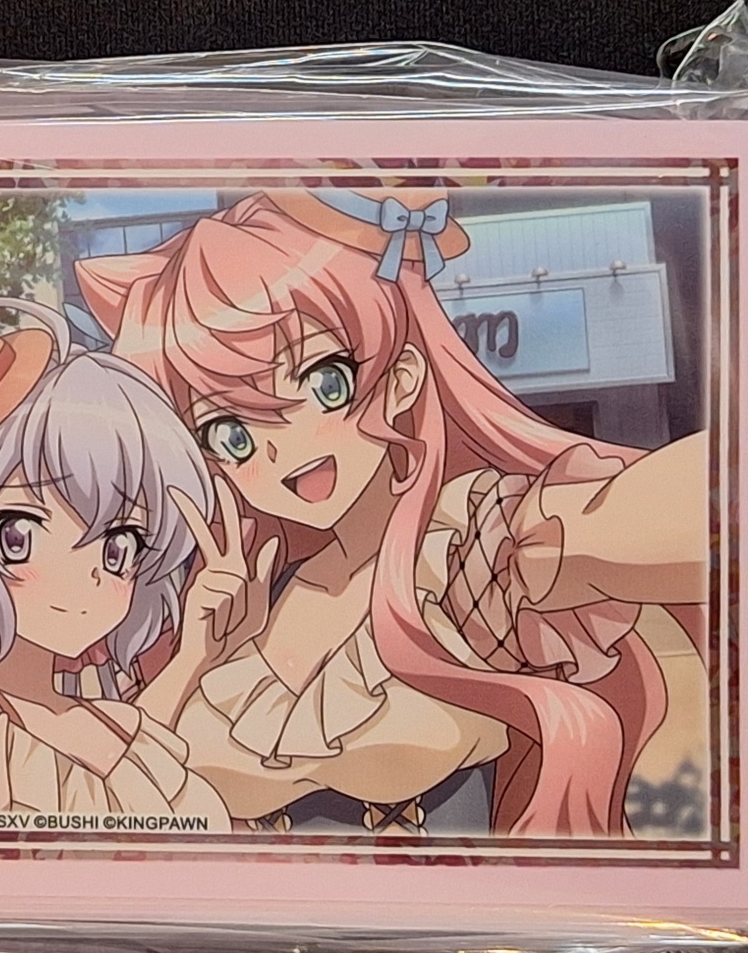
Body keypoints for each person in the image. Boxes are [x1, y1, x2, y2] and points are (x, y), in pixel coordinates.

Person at [75, 189, 709, 838]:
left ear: (402, 377)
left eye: (324, 382)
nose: (282, 442)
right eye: (230, 432)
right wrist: (196, 656)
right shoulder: (253, 600)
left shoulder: (466, 550)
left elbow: (672, 508)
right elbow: (110, 804)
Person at [0, 300, 270, 827]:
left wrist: (196, 652)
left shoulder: (110, 723)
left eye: (119, 545)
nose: (89, 577)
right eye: (19, 534)